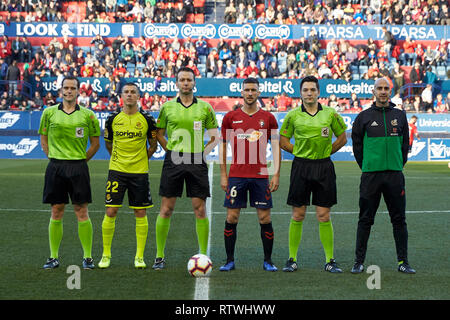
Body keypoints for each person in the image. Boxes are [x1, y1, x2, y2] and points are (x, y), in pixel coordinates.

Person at [152, 67, 219, 270]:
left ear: (194, 83)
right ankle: (159, 256)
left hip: (196, 161)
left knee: (200, 209)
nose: (186, 83)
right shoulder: (167, 107)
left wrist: (202, 153)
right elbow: (159, 133)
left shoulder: (206, 108)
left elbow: (215, 137)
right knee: (166, 208)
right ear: (177, 83)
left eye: (189, 79)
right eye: (182, 79)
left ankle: (203, 255)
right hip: (174, 159)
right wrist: (170, 150)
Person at [279, 76, 347, 273]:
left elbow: (342, 137)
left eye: (312, 90)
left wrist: (326, 153)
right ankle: (292, 259)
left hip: (324, 167)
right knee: (298, 214)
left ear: (318, 92)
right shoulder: (292, 116)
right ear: (300, 93)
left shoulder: (330, 114)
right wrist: (301, 152)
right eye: (305, 90)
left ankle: (330, 260)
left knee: (323, 215)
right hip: (301, 166)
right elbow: (283, 141)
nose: (309, 93)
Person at [351, 77, 415, 274]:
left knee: (399, 219)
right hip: (371, 176)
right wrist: (368, 165)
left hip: (395, 176)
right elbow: (357, 147)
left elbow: (405, 145)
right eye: (379, 88)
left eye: (386, 88)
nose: (383, 91)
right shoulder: (363, 117)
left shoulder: (400, 115)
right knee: (365, 219)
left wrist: (397, 164)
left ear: (390, 90)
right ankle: (358, 262)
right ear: (373, 91)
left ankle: (403, 262)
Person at [38, 76, 100, 270]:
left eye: (73, 88)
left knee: (81, 210)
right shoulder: (48, 113)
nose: (69, 91)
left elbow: (95, 143)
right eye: (66, 88)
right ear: (61, 90)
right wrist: (54, 158)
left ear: (78, 91)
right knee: (56, 210)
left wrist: (81, 160)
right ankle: (53, 257)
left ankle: (88, 257)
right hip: (55, 167)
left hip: (78, 167)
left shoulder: (88, 115)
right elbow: (43, 140)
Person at [219, 78, 280, 272]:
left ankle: (268, 261)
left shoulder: (268, 118)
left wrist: (276, 173)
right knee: (232, 218)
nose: (250, 93)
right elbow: (222, 146)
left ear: (259, 92)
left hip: (261, 176)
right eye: (247, 90)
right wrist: (223, 174)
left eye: (254, 89)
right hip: (236, 175)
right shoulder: (231, 117)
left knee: (265, 219)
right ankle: (229, 260)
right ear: (242, 92)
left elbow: (277, 147)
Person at [99, 82, 158, 269]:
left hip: (139, 173)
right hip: (117, 171)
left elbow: (153, 145)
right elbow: (108, 143)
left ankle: (139, 257)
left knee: (140, 212)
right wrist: (118, 159)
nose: (130, 95)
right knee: (111, 211)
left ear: (138, 96)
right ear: (121, 96)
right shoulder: (112, 119)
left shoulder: (148, 120)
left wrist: (142, 159)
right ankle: (106, 255)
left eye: (133, 92)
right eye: (126, 92)